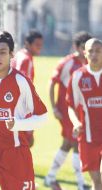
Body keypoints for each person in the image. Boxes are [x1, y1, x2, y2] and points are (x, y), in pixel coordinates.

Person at [0, 30, 47, 190]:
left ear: (12, 54)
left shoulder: (21, 81)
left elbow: (42, 117)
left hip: (16, 156)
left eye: (2, 52)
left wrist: (17, 125)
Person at [44, 31, 92, 190]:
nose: (85, 52)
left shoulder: (88, 63)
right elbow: (52, 83)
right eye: (82, 48)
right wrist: (54, 107)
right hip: (67, 110)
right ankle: (79, 183)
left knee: (72, 143)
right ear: (75, 47)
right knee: (73, 142)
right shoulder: (67, 63)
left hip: (82, 112)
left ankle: (51, 177)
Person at [66, 38, 102, 190]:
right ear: (85, 53)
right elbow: (71, 106)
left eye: (98, 51)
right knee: (97, 182)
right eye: (91, 51)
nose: (94, 54)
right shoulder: (78, 76)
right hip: (88, 137)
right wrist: (76, 123)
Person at [11, 29, 43, 147]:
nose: (40, 47)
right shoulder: (26, 59)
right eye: (37, 45)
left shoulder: (19, 54)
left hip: (12, 103)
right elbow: (21, 86)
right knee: (26, 142)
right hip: (21, 106)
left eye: (41, 44)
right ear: (28, 44)